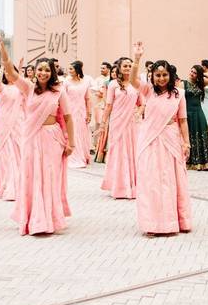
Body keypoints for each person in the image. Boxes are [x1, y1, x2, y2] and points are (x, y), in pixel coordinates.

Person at [127, 42, 192, 235]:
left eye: (165, 75)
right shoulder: (148, 91)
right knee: (152, 181)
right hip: (150, 141)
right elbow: (132, 81)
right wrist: (137, 58)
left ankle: (175, 221)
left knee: (171, 180)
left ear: (170, 76)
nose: (161, 78)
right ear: (152, 76)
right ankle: (154, 223)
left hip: (171, 139)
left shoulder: (179, 94)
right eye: (158, 75)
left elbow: (182, 120)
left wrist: (186, 142)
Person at [9, 53, 75, 236]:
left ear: (52, 72)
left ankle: (49, 218)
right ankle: (33, 218)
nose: (43, 72)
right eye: (40, 69)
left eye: (47, 69)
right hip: (31, 138)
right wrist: (4, 54)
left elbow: (69, 118)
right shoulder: (28, 88)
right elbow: (11, 74)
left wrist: (72, 143)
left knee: (49, 176)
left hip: (52, 138)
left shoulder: (59, 92)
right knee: (31, 175)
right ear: (35, 71)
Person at [99, 57, 140, 199]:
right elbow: (108, 105)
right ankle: (119, 185)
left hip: (131, 123)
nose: (128, 68)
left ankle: (132, 184)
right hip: (117, 122)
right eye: (125, 66)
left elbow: (142, 103)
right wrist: (103, 123)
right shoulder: (113, 84)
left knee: (131, 151)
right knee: (118, 151)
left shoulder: (136, 83)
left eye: (130, 65)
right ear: (119, 68)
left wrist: (137, 114)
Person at [0, 39, 25, 201]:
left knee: (18, 153)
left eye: (11, 71)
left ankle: (18, 183)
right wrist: (2, 67)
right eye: (6, 72)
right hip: (3, 123)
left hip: (18, 123)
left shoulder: (21, 88)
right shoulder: (2, 87)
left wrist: (18, 69)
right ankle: (5, 183)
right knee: (4, 154)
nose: (8, 74)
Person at [182, 64, 208, 170]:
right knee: (190, 135)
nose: (192, 74)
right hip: (188, 113)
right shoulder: (184, 84)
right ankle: (190, 162)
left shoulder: (201, 84)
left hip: (199, 113)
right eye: (191, 71)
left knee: (201, 135)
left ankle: (203, 163)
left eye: (195, 73)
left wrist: (202, 73)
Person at [64, 60, 92, 169]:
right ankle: (73, 156)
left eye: (71, 69)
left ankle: (82, 155)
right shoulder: (66, 82)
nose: (69, 71)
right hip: (69, 110)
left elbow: (88, 99)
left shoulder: (85, 82)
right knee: (73, 132)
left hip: (81, 111)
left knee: (81, 132)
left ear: (77, 70)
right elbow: (63, 97)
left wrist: (89, 113)